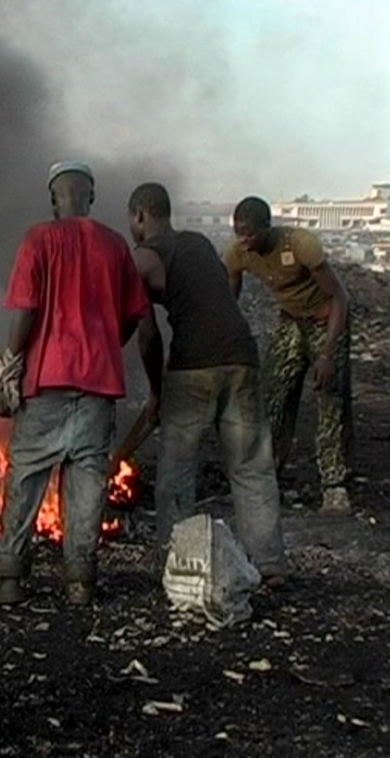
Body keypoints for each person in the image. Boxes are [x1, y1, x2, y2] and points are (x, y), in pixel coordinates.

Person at [0, 161, 150, 608]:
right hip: (98, 385)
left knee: (26, 477)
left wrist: (12, 365)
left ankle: (8, 577)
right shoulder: (115, 245)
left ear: (53, 200)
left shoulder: (38, 239)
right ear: (91, 197)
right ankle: (80, 582)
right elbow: (133, 314)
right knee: (87, 483)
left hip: (47, 381)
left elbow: (26, 309)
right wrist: (105, 346)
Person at [125, 182, 290, 587]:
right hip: (242, 356)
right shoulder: (198, 243)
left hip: (193, 368)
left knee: (177, 470)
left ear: (140, 215)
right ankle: (269, 563)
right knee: (251, 465)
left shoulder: (143, 257)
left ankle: (177, 561)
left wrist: (157, 391)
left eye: (132, 221)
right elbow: (216, 300)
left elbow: (148, 336)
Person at [224, 196, 353, 515]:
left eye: (250, 233)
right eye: (239, 232)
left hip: (326, 320)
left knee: (330, 399)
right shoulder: (238, 253)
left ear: (267, 227)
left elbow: (339, 297)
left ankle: (334, 486)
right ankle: (266, 475)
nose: (244, 240)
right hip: (292, 320)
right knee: (273, 394)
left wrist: (327, 354)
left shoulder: (300, 245)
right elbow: (230, 297)